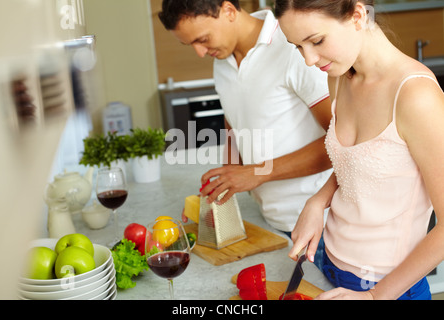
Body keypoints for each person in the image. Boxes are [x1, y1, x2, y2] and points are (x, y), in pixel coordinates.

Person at [274, 0, 444, 300]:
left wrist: (375, 296)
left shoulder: (416, 96)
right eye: (298, 47)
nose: (309, 59)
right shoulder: (339, 76)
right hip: (329, 264)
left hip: (388, 287)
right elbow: (356, 162)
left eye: (316, 41)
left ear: (357, 15)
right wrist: (318, 201)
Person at [158, 0, 333, 236]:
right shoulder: (223, 59)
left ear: (228, 11)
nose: (200, 53)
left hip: (319, 225)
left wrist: (257, 172)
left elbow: (341, 141)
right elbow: (235, 125)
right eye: (190, 44)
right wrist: (222, 186)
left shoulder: (293, 46)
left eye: (203, 39)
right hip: (270, 220)